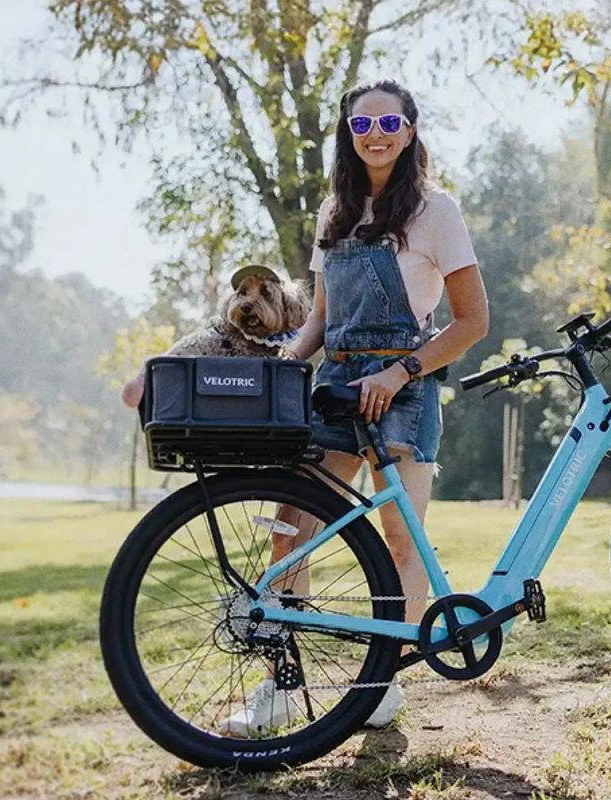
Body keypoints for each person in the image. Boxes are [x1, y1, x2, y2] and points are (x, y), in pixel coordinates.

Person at [222, 77, 489, 735]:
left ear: (409, 129)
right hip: (337, 387)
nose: (374, 135)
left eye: (387, 124)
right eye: (361, 125)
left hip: (403, 388)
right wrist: (287, 362)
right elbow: (320, 315)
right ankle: (281, 688)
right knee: (291, 527)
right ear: (348, 134)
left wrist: (400, 372)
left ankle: (381, 688)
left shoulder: (435, 210)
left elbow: (472, 322)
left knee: (401, 539)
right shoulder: (333, 212)